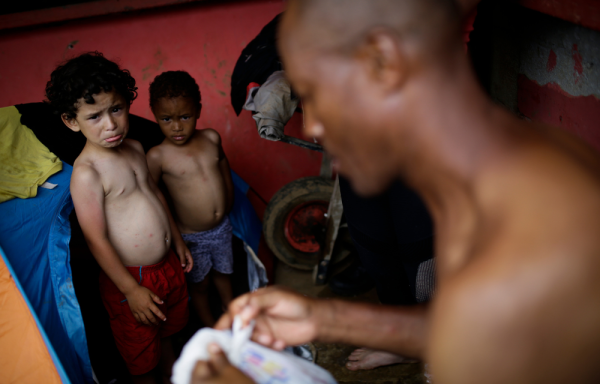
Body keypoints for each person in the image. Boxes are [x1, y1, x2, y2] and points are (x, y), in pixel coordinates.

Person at [191, 0, 600, 383]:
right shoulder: (491, 173)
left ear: (384, 63)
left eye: (313, 93)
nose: (311, 125)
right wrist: (324, 319)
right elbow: (464, 327)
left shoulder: (535, 240)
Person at [46, 52, 193, 384]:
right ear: (72, 121)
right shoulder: (88, 173)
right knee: (141, 354)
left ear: (127, 103)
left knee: (169, 333)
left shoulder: (136, 148)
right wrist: (131, 290)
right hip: (132, 279)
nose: (110, 124)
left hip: (166, 266)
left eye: (116, 109)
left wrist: (178, 240)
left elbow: (155, 195)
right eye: (94, 116)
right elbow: (95, 239)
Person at [147, 71, 235, 328]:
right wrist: (176, 240)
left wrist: (227, 203)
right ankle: (211, 328)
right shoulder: (157, 156)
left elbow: (223, 168)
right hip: (191, 237)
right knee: (200, 283)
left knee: (225, 273)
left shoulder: (210, 138)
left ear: (198, 110)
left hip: (221, 227)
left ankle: (232, 314)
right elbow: (155, 200)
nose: (176, 126)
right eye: (166, 119)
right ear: (154, 114)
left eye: (185, 117)